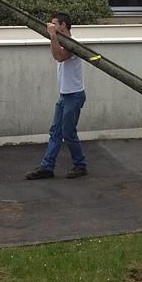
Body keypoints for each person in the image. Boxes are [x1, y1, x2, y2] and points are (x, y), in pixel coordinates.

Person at [25, 12, 89, 180]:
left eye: (54, 24)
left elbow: (60, 57)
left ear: (63, 25)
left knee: (68, 132)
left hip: (74, 95)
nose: (51, 27)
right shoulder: (61, 42)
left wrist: (53, 36)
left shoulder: (74, 44)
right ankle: (47, 167)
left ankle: (80, 165)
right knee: (55, 132)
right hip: (64, 95)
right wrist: (53, 38)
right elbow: (56, 54)